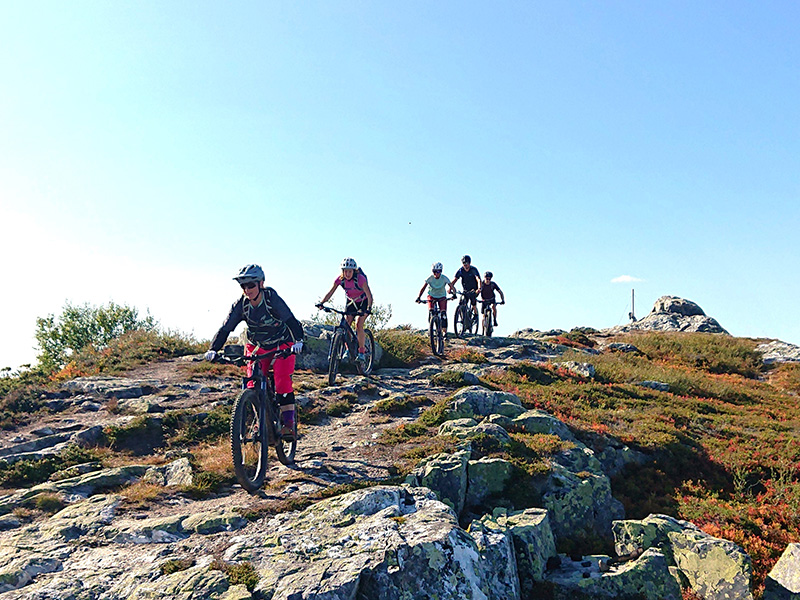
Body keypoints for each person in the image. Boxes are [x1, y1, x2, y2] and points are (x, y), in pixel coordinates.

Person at [204, 264, 305, 438]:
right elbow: (226, 328)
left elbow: (290, 319)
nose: (247, 289)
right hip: (257, 345)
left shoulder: (271, 298)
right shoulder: (241, 305)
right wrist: (213, 349)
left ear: (261, 284)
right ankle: (261, 422)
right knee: (252, 383)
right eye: (243, 286)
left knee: (281, 380)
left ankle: (288, 423)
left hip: (282, 344)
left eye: (251, 285)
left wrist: (299, 341)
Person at [316, 257, 373, 362]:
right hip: (351, 302)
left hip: (363, 302)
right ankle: (347, 349)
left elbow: (369, 295)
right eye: (345, 271)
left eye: (350, 271)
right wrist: (322, 303)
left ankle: (361, 352)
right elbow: (330, 292)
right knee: (346, 325)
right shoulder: (340, 280)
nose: (347, 274)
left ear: (354, 271)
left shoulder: (360, 279)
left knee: (358, 324)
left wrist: (368, 309)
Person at [416, 262, 457, 329]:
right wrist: (419, 297)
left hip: (441, 296)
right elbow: (423, 288)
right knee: (431, 311)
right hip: (432, 296)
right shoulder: (430, 278)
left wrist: (454, 294)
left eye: (438, 271)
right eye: (434, 271)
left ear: (441, 271)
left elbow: (452, 286)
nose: (436, 273)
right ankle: (431, 329)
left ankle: (444, 333)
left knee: (443, 314)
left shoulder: (444, 278)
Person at [453, 255, 481, 320]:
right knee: (461, 302)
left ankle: (476, 314)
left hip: (474, 289)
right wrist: (450, 288)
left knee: (473, 301)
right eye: (463, 263)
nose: (465, 265)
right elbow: (455, 280)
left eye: (466, 263)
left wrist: (479, 288)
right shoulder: (461, 270)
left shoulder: (473, 270)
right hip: (465, 289)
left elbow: (478, 279)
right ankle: (463, 318)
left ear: (469, 263)